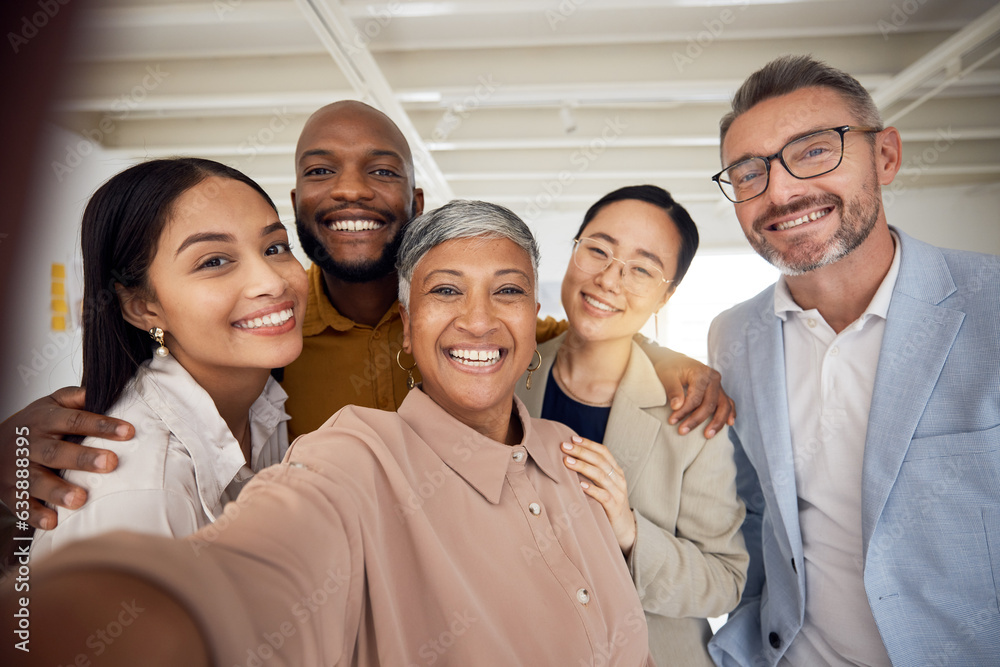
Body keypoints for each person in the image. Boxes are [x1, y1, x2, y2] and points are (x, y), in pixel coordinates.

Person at [2, 101, 735, 535]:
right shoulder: (270, 346)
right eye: (321, 172)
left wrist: (676, 364)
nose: (351, 191)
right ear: (297, 204)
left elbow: (586, 338)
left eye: (382, 170)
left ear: (416, 204)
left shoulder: (475, 333)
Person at [12, 201, 654, 667]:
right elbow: (255, 570)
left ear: (534, 315)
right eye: (446, 291)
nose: (480, 320)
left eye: (507, 291)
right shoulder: (351, 458)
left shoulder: (573, 459)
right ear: (407, 325)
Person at [705, 55, 1000, 667]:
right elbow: (759, 518)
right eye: (749, 172)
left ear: (885, 157)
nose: (780, 192)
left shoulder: (991, 304)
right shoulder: (733, 335)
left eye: (813, 150)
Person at [515, 185, 747, 666]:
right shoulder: (504, 378)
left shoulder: (693, 413)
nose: (609, 279)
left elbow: (725, 582)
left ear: (667, 295)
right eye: (597, 250)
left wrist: (628, 532)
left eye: (642, 269)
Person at [30, 158, 307, 557]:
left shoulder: (260, 400)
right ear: (143, 307)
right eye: (214, 261)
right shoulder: (141, 489)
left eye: (275, 247)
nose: (272, 281)